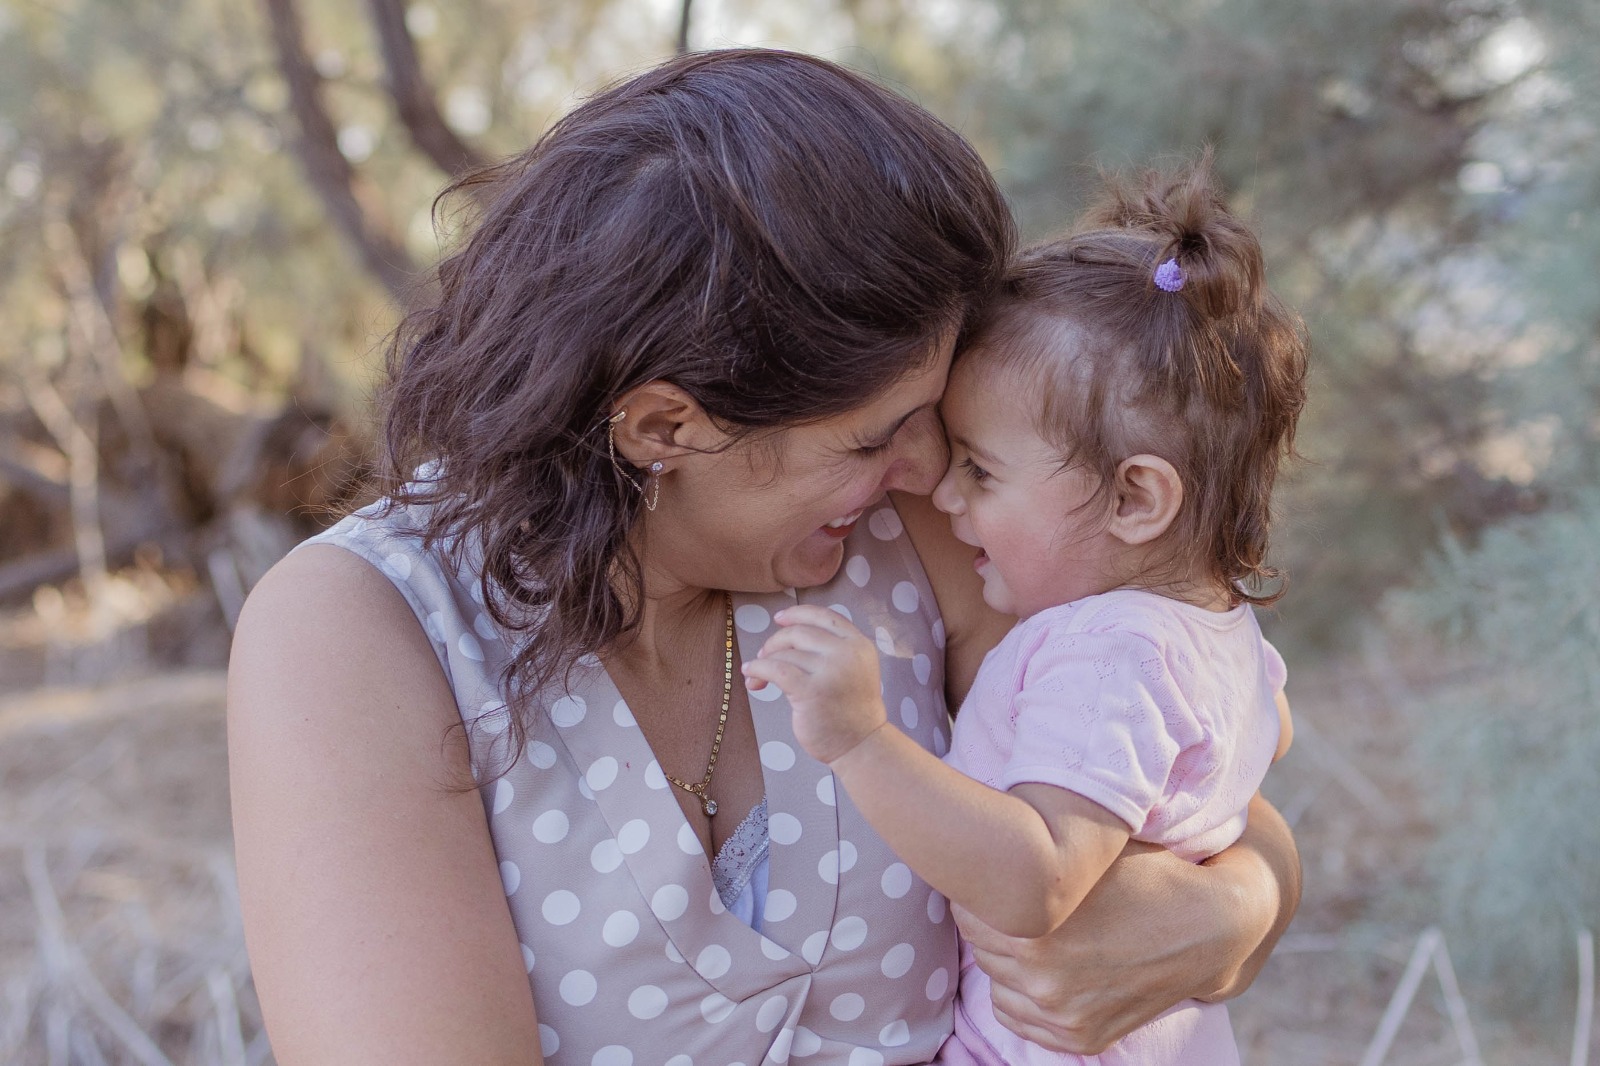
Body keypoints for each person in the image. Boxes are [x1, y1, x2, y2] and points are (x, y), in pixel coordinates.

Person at [227, 50, 1301, 1066]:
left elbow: (1182, 769)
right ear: (663, 426)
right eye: (874, 436)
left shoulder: (907, 530)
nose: (931, 467)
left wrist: (1237, 907)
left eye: (933, 419)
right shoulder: (360, 632)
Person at [744, 158, 1307, 1066]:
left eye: (982, 470)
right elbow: (1268, 733)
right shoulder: (1219, 631)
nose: (946, 494)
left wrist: (860, 739)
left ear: (1135, 500)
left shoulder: (1108, 652)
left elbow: (1035, 881)